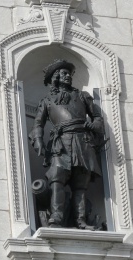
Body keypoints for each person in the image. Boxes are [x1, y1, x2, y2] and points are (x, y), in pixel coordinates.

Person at [29, 59, 105, 230]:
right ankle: (56, 218)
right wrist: (38, 141)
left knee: (80, 184)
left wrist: (93, 126)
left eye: (69, 74)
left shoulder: (83, 97)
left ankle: (81, 220)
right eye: (63, 73)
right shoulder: (47, 101)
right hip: (60, 143)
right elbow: (38, 124)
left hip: (82, 141)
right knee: (57, 179)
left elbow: (98, 119)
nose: (67, 76)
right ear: (55, 77)